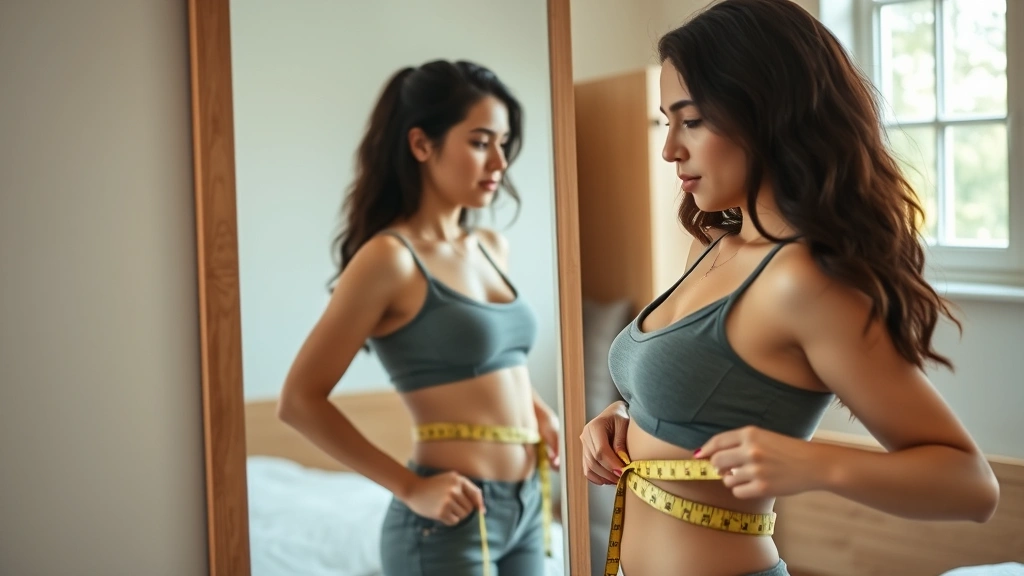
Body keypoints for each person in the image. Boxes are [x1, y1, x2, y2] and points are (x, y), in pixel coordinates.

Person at [579, 1, 1001, 575]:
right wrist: (624, 414)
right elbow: (701, 399)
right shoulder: (712, 246)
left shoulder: (803, 282)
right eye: (666, 121)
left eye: (691, 120)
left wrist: (812, 464)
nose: (669, 148)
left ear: (766, 113)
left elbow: (972, 485)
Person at [277, 59, 560, 576]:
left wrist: (537, 412)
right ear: (422, 144)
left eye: (503, 143)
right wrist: (410, 488)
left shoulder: (491, 246)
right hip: (447, 520)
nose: (500, 161)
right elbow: (298, 400)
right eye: (480, 142)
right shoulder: (390, 259)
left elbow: (496, 361)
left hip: (530, 503)